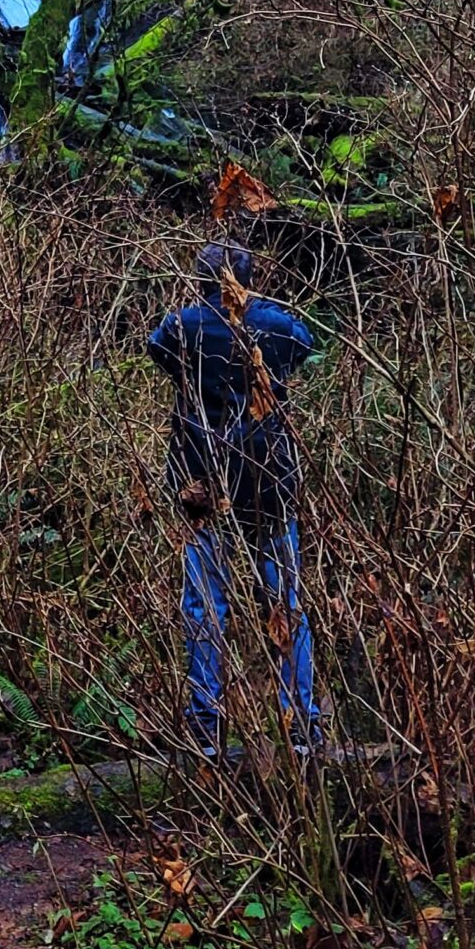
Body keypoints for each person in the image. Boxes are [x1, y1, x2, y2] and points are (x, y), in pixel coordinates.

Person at [147, 242, 318, 755]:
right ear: (248, 279)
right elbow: (303, 345)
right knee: (285, 603)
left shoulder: (182, 327)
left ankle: (205, 728)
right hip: (269, 483)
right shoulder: (279, 325)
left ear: (200, 280)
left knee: (204, 607)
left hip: (203, 482)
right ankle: (302, 728)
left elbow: (159, 352)